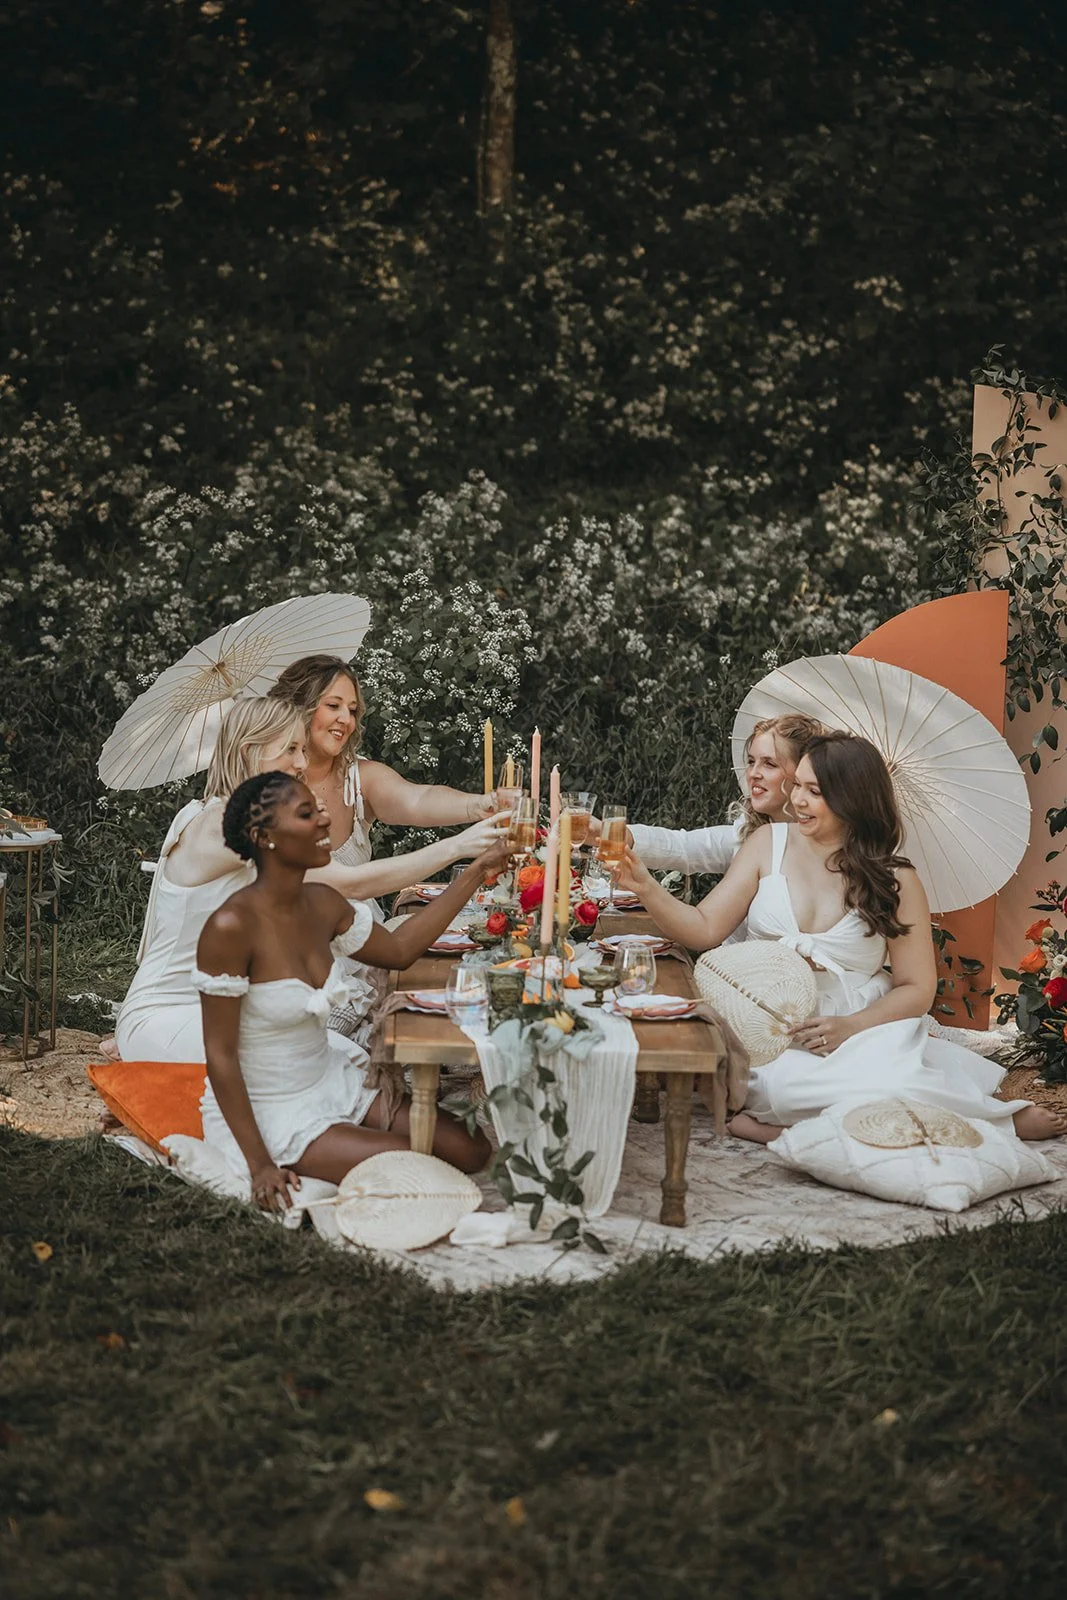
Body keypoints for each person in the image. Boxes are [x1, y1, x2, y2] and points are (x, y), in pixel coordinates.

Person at [615, 731, 1066, 1144]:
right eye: (798, 786)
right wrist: (647, 888)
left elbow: (917, 988)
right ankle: (797, 1124)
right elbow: (704, 927)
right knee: (787, 1089)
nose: (798, 800)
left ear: (853, 800)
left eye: (815, 792)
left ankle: (987, 1121)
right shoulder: (767, 842)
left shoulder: (895, 878)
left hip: (862, 1024)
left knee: (893, 1084)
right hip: (775, 1026)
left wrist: (850, 1028)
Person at [192, 771, 498, 1211]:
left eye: (319, 810)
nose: (324, 822)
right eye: (306, 814)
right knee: (417, 1171)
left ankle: (351, 1141)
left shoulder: (322, 903)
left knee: (471, 1148)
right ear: (264, 837)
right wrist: (260, 1165)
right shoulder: (230, 927)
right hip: (272, 1106)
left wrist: (477, 872)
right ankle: (324, 1150)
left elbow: (399, 949)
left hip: (330, 1078)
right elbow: (219, 1057)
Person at [268, 654, 513, 1039]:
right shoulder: (262, 796)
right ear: (300, 706)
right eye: (333, 706)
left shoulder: (357, 777)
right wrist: (461, 849)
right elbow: (347, 883)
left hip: (361, 939)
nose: (345, 720)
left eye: (352, 710)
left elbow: (416, 800)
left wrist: (475, 805)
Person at [113, 697, 310, 1064]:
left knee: (342, 1055)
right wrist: (452, 847)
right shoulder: (219, 829)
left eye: (303, 750)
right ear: (251, 751)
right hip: (165, 1014)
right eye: (291, 749)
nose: (303, 763)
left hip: (223, 1004)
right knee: (302, 1060)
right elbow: (345, 881)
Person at [625, 714, 826, 877]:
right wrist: (621, 835)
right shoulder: (747, 832)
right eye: (750, 761)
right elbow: (683, 847)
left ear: (804, 772)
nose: (753, 773)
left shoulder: (832, 847)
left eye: (769, 764)